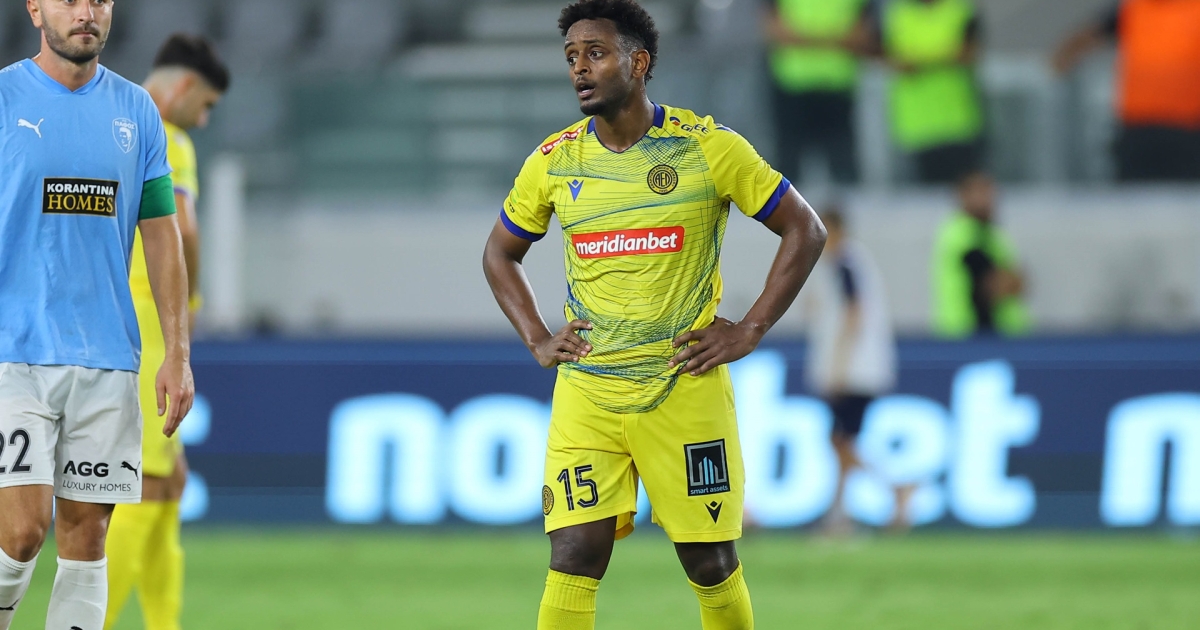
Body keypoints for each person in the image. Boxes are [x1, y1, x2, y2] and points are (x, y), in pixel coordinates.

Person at [482, 2, 827, 628]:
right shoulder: (555, 161)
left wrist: (750, 328)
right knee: (573, 554)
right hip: (589, 391)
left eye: (596, 54)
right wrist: (536, 336)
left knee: (710, 562)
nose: (580, 69)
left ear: (638, 63)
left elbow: (805, 228)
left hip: (682, 385)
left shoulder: (708, 148)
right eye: (571, 57)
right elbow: (500, 253)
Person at [0, 1, 195, 629]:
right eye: (69, 0)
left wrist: (178, 354)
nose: (86, 12)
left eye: (100, 0)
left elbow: (161, 233)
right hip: (13, 354)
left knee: (87, 540)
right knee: (23, 531)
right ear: (35, 8)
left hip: (108, 358)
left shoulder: (137, 110)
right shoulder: (4, 98)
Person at [104, 34, 229, 630]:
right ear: (182, 87)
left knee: (168, 482)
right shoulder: (168, 138)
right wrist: (192, 302)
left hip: (112, 315)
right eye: (205, 105)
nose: (202, 120)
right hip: (151, 325)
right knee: (145, 484)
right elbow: (185, 228)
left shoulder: (107, 122)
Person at [799, 207, 900, 533]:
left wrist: (838, 367)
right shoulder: (848, 263)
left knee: (840, 441)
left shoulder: (844, 262)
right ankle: (839, 516)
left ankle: (895, 488)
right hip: (860, 368)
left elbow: (853, 314)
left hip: (855, 371)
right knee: (842, 441)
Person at [1053, 0, 1200, 182]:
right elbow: (1088, 36)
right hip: (1137, 132)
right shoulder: (1133, 8)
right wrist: (1056, 68)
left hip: (1188, 132)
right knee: (1133, 195)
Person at [763, 0, 873, 185]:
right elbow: (774, 30)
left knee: (842, 168)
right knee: (789, 167)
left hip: (836, 88)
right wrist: (833, 40)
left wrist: (804, 39)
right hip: (793, 87)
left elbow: (861, 36)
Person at [878, 0, 985, 184]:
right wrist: (946, 55)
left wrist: (919, 60)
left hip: (957, 123)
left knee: (962, 189)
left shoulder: (961, 10)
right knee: (920, 197)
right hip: (914, 128)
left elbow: (968, 54)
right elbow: (895, 62)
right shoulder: (898, 13)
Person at [931, 171, 1029, 338]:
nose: (986, 199)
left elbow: (1018, 282)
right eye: (979, 192)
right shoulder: (958, 235)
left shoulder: (994, 236)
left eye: (989, 192)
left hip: (1001, 335)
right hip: (964, 336)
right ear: (962, 196)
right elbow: (996, 284)